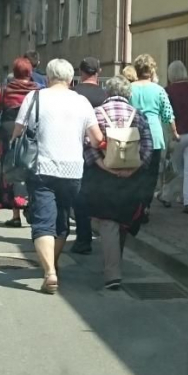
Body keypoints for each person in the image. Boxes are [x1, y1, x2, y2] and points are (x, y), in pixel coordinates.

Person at [13, 59, 104, 294]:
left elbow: (18, 132)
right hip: (73, 170)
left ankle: (50, 271)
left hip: (42, 167)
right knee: (61, 221)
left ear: (48, 77)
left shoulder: (35, 98)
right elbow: (96, 139)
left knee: (43, 221)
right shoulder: (82, 102)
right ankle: (51, 265)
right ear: (70, 78)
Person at [79, 76, 153, 289]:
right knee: (122, 220)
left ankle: (113, 274)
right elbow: (148, 147)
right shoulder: (138, 115)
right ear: (128, 94)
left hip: (104, 177)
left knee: (107, 221)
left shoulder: (97, 113)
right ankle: (115, 265)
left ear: (107, 92)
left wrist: (104, 166)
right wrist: (133, 169)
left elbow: (88, 146)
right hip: (132, 178)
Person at [0, 58, 40, 227]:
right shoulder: (38, 90)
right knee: (33, 170)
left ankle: (15, 215)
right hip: (32, 134)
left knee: (10, 170)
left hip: (9, 134)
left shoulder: (6, 90)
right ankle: (31, 205)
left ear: (14, 72)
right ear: (30, 72)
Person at [129, 54, 179, 223]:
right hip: (154, 136)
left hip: (133, 135)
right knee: (151, 175)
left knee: (134, 173)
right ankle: (145, 207)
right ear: (151, 70)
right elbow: (167, 114)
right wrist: (174, 133)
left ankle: (134, 207)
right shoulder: (158, 90)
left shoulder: (130, 88)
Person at [71, 57, 108, 255]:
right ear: (99, 71)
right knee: (99, 193)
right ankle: (105, 236)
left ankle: (83, 238)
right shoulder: (105, 94)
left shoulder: (74, 93)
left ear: (81, 71)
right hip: (101, 149)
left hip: (78, 150)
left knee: (81, 196)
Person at [159, 60, 188, 214]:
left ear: (170, 74)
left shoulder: (167, 91)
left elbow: (165, 116)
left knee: (173, 166)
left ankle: (166, 196)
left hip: (178, 134)